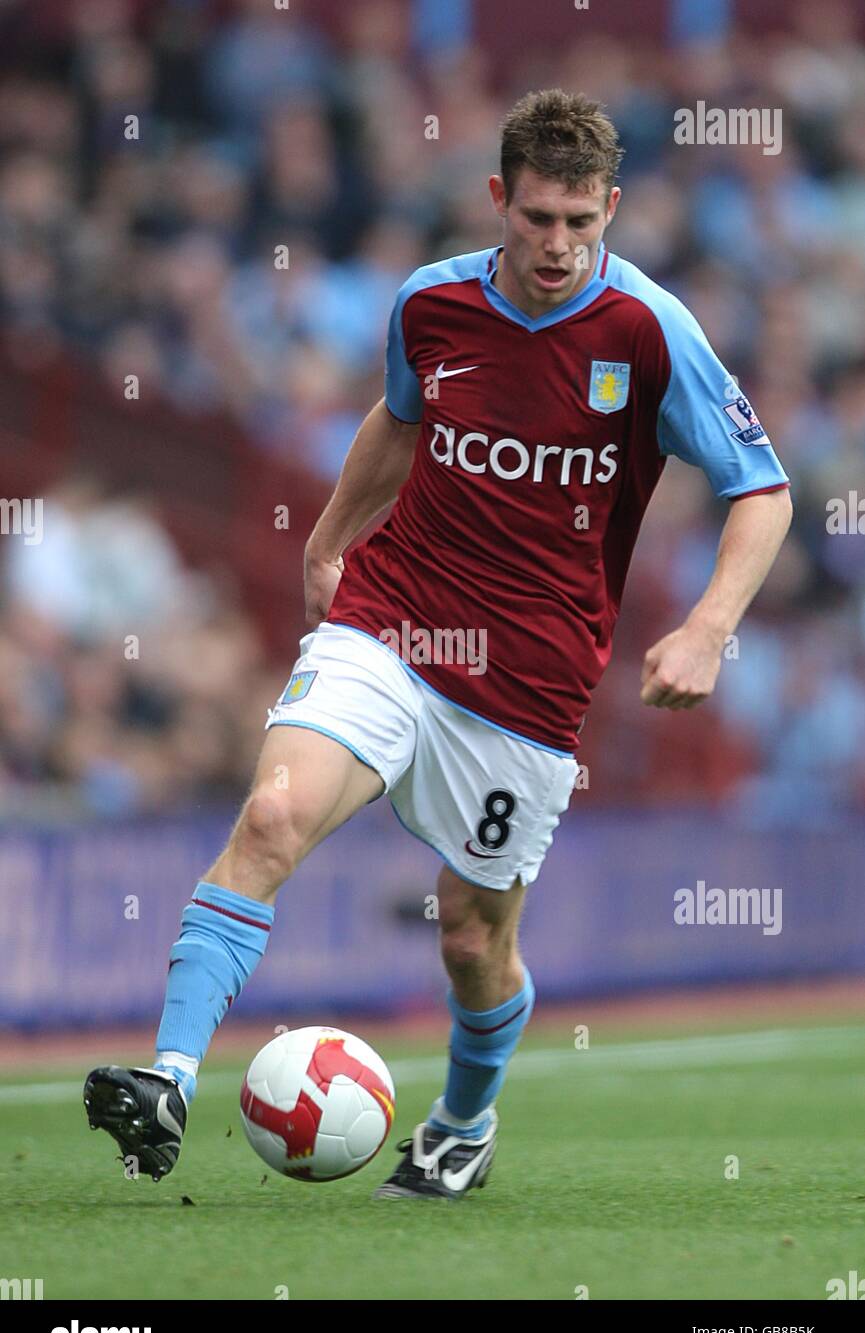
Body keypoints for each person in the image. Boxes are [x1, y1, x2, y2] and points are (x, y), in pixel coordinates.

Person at [84, 89, 792, 1199]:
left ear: (609, 208)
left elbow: (763, 490)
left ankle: (462, 1121)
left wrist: (707, 628)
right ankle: (168, 1078)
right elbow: (399, 416)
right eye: (537, 219)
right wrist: (329, 541)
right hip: (392, 618)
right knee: (270, 814)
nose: (558, 246)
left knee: (469, 938)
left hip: (529, 686)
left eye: (581, 223)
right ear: (497, 199)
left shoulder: (651, 331)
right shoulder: (431, 302)